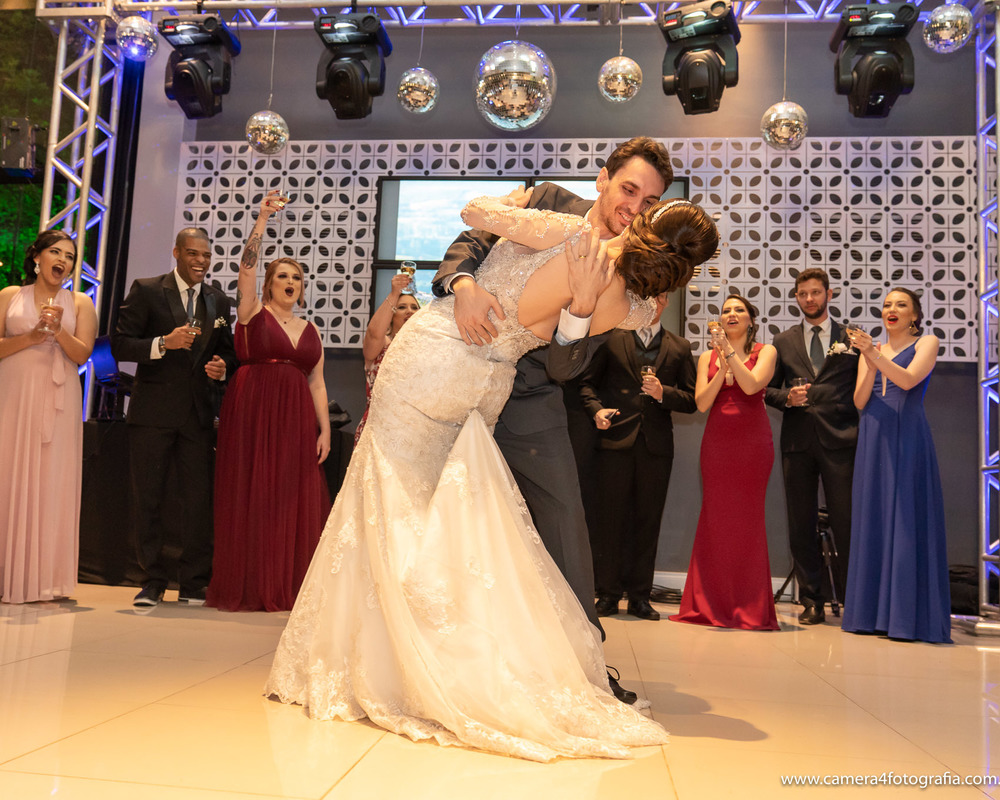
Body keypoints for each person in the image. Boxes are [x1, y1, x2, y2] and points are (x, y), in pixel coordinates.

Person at [266, 194, 719, 761]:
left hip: (436, 356)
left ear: (649, 222)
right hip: (487, 384)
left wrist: (511, 202)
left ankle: (384, 659)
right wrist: (588, 303)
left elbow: (474, 213)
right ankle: (430, 654)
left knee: (386, 501)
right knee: (433, 512)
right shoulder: (629, 304)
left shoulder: (563, 231)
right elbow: (626, 321)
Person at [432, 137, 675, 649]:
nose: (633, 209)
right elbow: (471, 239)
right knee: (431, 500)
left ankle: (584, 657)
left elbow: (570, 366)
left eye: (648, 203)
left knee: (565, 517)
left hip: (533, 394)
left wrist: (583, 308)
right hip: (460, 364)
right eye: (628, 190)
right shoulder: (548, 201)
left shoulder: (631, 272)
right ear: (603, 179)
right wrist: (463, 285)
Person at [0, 231, 97, 603]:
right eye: (55, 251)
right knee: (6, 475)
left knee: (51, 481)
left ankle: (44, 579)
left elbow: (82, 355)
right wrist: (33, 336)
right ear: (36, 256)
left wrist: (57, 333)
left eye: (69, 255)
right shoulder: (8, 295)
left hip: (58, 396)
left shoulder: (81, 302)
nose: (62, 260)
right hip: (13, 395)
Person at [207, 192, 331, 612]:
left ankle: (289, 583)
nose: (291, 283)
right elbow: (246, 265)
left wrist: (325, 429)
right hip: (254, 408)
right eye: (283, 276)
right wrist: (261, 218)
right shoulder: (250, 311)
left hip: (296, 417)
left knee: (289, 496)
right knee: (253, 491)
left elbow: (316, 380)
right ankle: (252, 583)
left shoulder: (309, 327)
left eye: (296, 277)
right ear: (268, 284)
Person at [110, 227, 235, 608]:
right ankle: (152, 580)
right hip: (152, 415)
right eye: (194, 253)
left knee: (197, 501)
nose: (201, 261)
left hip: (197, 416)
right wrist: (164, 343)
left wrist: (222, 368)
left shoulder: (219, 301)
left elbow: (229, 354)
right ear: (177, 253)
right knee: (150, 498)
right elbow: (119, 344)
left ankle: (194, 582)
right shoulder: (147, 290)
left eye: (206, 255)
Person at [579, 294, 697, 621]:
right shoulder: (611, 337)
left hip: (656, 447)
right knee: (609, 520)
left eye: (659, 297)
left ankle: (640, 597)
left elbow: (691, 400)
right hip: (615, 441)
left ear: (667, 301)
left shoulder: (680, 347)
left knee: (648, 521)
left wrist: (664, 394)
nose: (652, 302)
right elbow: (587, 385)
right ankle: (607, 593)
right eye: (646, 296)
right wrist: (596, 410)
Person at [842, 289, 950, 644]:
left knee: (904, 518)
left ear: (914, 315)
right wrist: (870, 360)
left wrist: (872, 353)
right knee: (873, 517)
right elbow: (859, 400)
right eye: (887, 304)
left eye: (901, 305)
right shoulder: (873, 350)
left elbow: (907, 381)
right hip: (873, 433)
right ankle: (869, 613)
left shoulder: (927, 342)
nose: (892, 309)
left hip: (907, 435)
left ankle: (904, 617)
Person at [671, 294, 779, 631]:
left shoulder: (767, 352)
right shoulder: (706, 357)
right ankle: (709, 605)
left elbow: (751, 386)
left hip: (752, 444)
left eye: (739, 310)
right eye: (726, 310)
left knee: (747, 522)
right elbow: (702, 403)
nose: (731, 314)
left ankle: (750, 606)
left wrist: (729, 356)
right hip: (718, 443)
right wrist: (720, 366)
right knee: (716, 520)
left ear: (750, 320)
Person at [765, 268, 859, 625]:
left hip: (841, 439)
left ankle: (853, 600)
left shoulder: (850, 337)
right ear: (796, 298)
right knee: (800, 522)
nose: (809, 299)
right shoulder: (783, 340)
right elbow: (767, 390)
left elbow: (862, 386)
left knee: (846, 520)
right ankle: (811, 600)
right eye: (803, 294)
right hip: (798, 441)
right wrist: (787, 397)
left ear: (829, 295)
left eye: (815, 293)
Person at [355, 273, 419, 443]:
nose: (409, 311)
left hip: (415, 431)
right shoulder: (383, 344)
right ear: (391, 315)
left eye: (414, 307)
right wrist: (394, 293)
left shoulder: (425, 349)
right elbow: (373, 333)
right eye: (402, 307)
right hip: (378, 430)